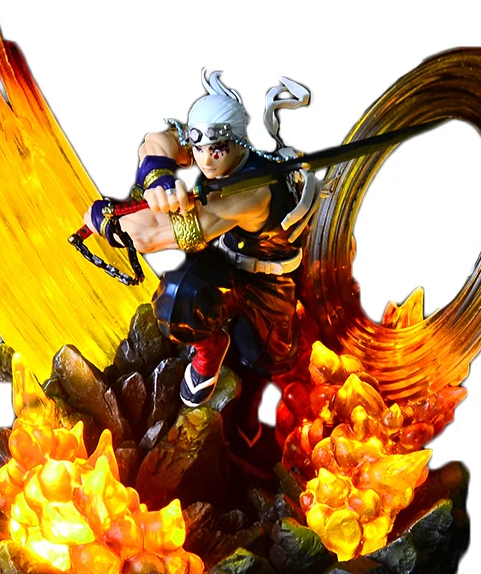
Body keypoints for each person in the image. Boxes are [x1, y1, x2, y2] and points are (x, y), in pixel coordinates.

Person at [86, 70, 317, 447]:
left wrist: (110, 222)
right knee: (178, 297)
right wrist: (157, 176)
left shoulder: (249, 192)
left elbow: (152, 235)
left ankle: (246, 431)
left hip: (268, 286)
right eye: (199, 148)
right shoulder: (210, 145)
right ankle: (209, 351)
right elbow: (158, 140)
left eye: (218, 149)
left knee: (256, 365)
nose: (207, 159)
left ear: (237, 141)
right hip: (224, 261)